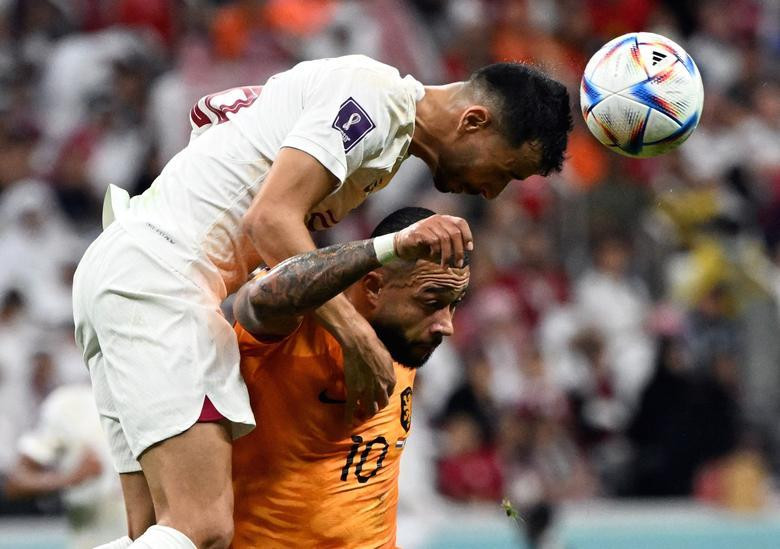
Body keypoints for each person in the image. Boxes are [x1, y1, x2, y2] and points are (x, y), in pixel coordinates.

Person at [72, 54, 571, 548]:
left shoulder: (378, 125)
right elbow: (269, 220)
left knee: (152, 532)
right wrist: (355, 335)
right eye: (506, 172)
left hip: (125, 268)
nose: (492, 192)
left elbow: (216, 116)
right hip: (164, 276)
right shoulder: (375, 100)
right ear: (474, 121)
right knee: (201, 528)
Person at [231, 207, 470, 547]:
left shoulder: (403, 340)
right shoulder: (299, 327)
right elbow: (255, 301)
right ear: (373, 288)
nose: (446, 325)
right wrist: (355, 332)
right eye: (432, 302)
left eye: (454, 304)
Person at [4, 384, 126, 548]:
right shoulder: (70, 404)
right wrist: (71, 478)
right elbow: (15, 482)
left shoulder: (153, 399)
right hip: (93, 541)